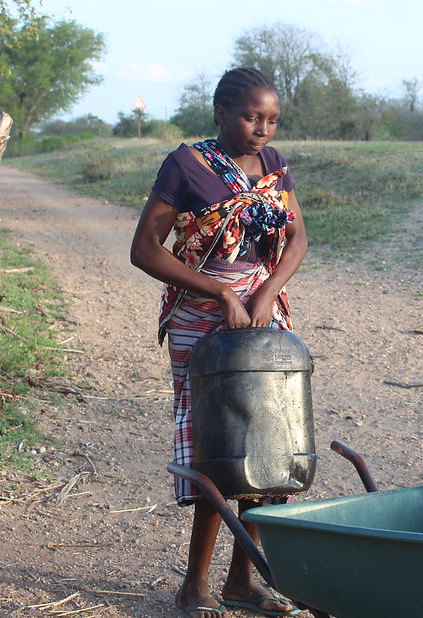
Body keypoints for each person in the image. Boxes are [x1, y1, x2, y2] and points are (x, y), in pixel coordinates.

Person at [130, 67, 307, 618]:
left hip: (261, 314)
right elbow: (145, 249)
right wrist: (221, 292)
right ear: (221, 113)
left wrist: (265, 293)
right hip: (202, 317)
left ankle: (241, 580)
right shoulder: (187, 165)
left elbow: (297, 238)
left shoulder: (274, 165)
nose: (263, 129)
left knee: (268, 442)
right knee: (220, 447)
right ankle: (194, 586)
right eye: (252, 117)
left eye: (272, 120)